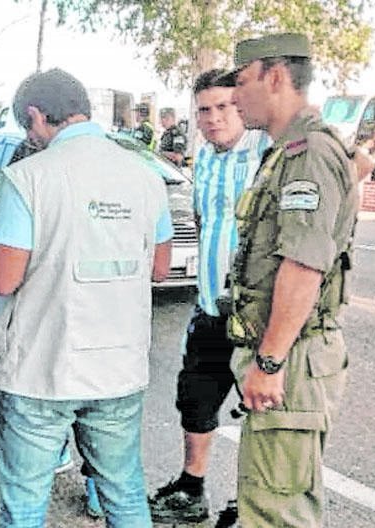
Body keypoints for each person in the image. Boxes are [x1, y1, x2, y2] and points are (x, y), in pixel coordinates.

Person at [0, 68, 173, 527]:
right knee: (124, 493)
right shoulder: (145, 176)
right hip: (119, 368)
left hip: (44, 370)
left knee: (25, 505)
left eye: (28, 127)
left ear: (35, 116)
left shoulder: (27, 178)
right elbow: (160, 269)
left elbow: (4, 280)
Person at [218, 33, 358, 527]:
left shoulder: (308, 155)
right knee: (271, 499)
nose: (234, 96)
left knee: (278, 514)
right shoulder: (286, 152)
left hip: (292, 358)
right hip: (289, 357)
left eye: (240, 82)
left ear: (275, 76)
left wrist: (271, 360)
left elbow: (303, 265)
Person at [147, 69, 270, 525]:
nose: (213, 118)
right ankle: (191, 488)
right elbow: (205, 225)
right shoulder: (206, 160)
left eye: (224, 107)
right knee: (195, 400)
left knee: (261, 414)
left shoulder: (266, 152)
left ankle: (249, 502)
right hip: (209, 309)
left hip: (255, 317)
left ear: (243, 106)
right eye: (204, 109)